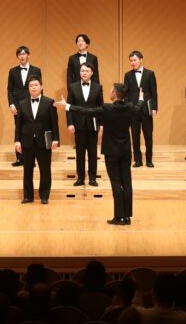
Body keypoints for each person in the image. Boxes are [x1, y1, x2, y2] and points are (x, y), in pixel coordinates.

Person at [57, 83, 147, 225]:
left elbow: (86, 111)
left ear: (115, 94)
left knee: (116, 183)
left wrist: (67, 106)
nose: (110, 92)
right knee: (127, 183)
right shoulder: (130, 107)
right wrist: (141, 98)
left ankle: (119, 217)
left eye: (111, 90)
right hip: (125, 150)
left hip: (111, 151)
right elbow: (138, 107)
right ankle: (127, 216)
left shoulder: (107, 108)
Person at [14, 77, 59, 204]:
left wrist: (56, 139)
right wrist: (17, 140)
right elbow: (19, 124)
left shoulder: (49, 102)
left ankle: (44, 195)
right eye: (31, 85)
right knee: (27, 170)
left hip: (44, 141)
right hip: (26, 141)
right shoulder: (22, 103)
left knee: (45, 170)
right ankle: (28, 196)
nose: (33, 87)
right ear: (28, 88)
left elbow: (54, 123)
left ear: (41, 87)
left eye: (36, 85)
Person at [66, 63, 103, 186]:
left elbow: (101, 107)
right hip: (78, 124)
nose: (84, 73)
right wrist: (70, 123)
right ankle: (80, 178)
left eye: (87, 71)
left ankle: (92, 178)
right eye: (82, 71)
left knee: (93, 153)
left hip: (93, 124)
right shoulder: (73, 87)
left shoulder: (98, 87)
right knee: (80, 153)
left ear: (92, 73)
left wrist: (101, 124)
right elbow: (68, 107)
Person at [7, 46, 41, 167]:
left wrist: (40, 103)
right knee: (19, 129)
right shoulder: (12, 71)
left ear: (28, 55)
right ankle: (20, 158)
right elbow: (10, 89)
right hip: (17, 106)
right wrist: (11, 104)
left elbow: (39, 88)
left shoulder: (36, 70)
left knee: (32, 130)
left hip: (32, 104)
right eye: (19, 54)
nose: (22, 56)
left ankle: (31, 158)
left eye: (24, 54)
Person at [123, 51, 158, 168]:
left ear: (141, 59)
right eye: (131, 61)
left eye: (135, 60)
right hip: (133, 110)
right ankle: (138, 160)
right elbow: (125, 94)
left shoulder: (150, 74)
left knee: (148, 135)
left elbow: (154, 92)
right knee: (135, 136)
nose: (132, 63)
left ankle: (149, 160)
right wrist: (127, 107)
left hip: (146, 109)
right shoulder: (127, 75)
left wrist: (154, 108)